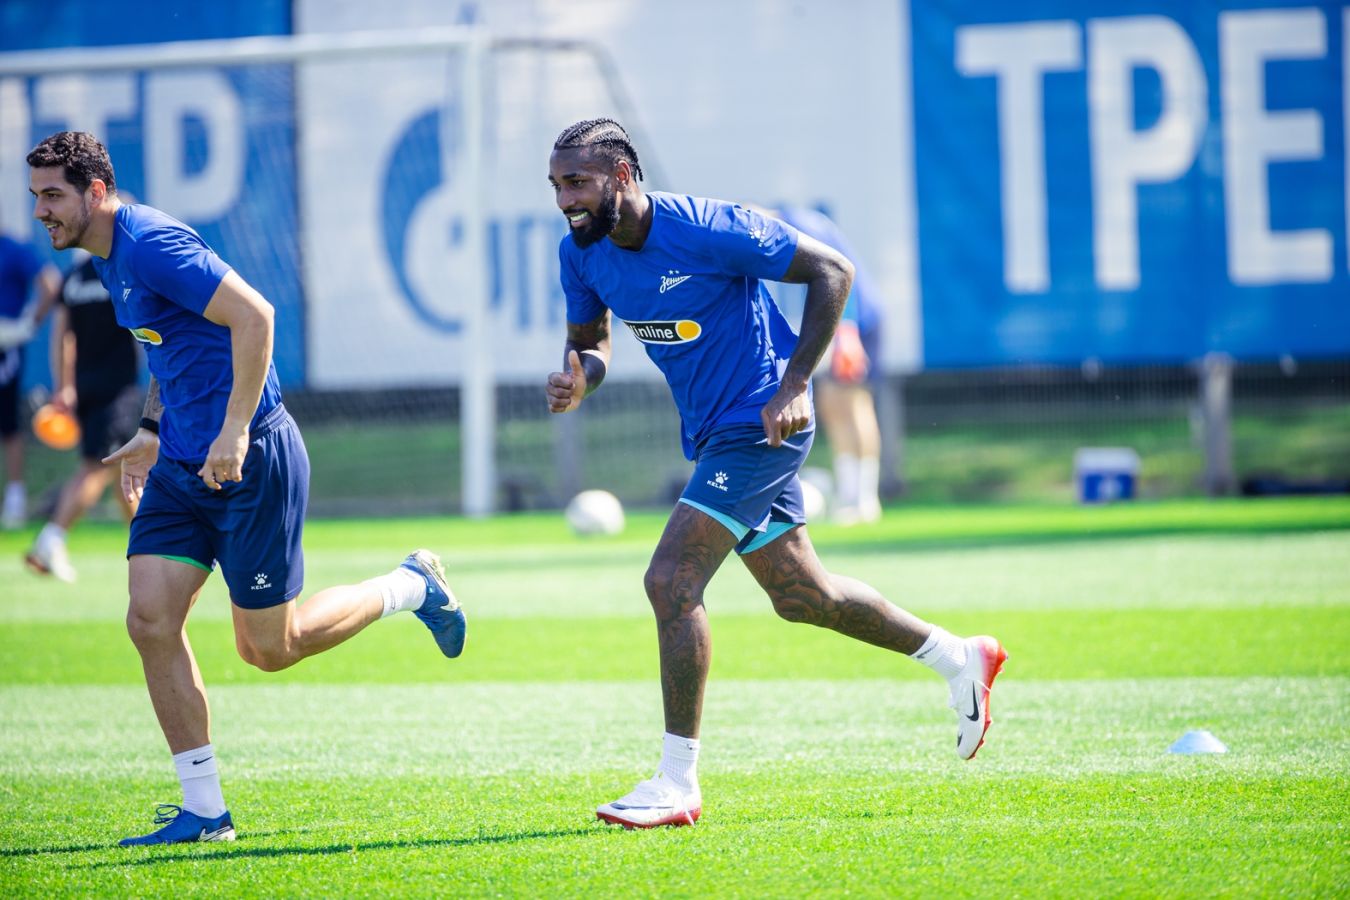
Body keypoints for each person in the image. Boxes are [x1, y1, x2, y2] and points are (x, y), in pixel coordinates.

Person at [544, 119, 1006, 829]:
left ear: (623, 176)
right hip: (714, 435)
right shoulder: (580, 253)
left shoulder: (708, 228)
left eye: (577, 182)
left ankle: (677, 782)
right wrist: (583, 378)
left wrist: (795, 384)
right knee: (803, 596)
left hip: (762, 426)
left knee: (670, 580)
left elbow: (833, 272)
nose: (565, 200)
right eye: (556, 185)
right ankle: (959, 658)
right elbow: (591, 342)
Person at [27, 131, 468, 847]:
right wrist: (151, 427)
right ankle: (205, 812)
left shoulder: (150, 244)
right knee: (149, 620)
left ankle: (410, 585)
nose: (40, 211)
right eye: (36, 196)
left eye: (52, 195)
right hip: (180, 467)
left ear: (96, 192)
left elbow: (256, 315)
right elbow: (168, 346)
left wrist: (233, 431)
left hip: (251, 458)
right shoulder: (106, 258)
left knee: (270, 647)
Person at [25, 242, 144, 581]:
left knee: (122, 469)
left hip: (84, 388)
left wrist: (64, 386)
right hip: (117, 390)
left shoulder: (73, 277)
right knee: (97, 467)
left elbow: (63, 335)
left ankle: (146, 547)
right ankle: (51, 538)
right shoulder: (119, 274)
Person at [771, 207, 884, 525]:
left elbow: (840, 272)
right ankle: (850, 494)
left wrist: (847, 329)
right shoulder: (797, 224)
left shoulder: (802, 225)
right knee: (832, 404)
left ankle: (865, 498)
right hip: (840, 321)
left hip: (853, 322)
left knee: (853, 403)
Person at [0, 223, 61, 529]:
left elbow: (50, 282)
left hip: (4, 346)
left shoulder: (12, 249)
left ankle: (15, 498)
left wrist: (28, 324)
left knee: (7, 422)